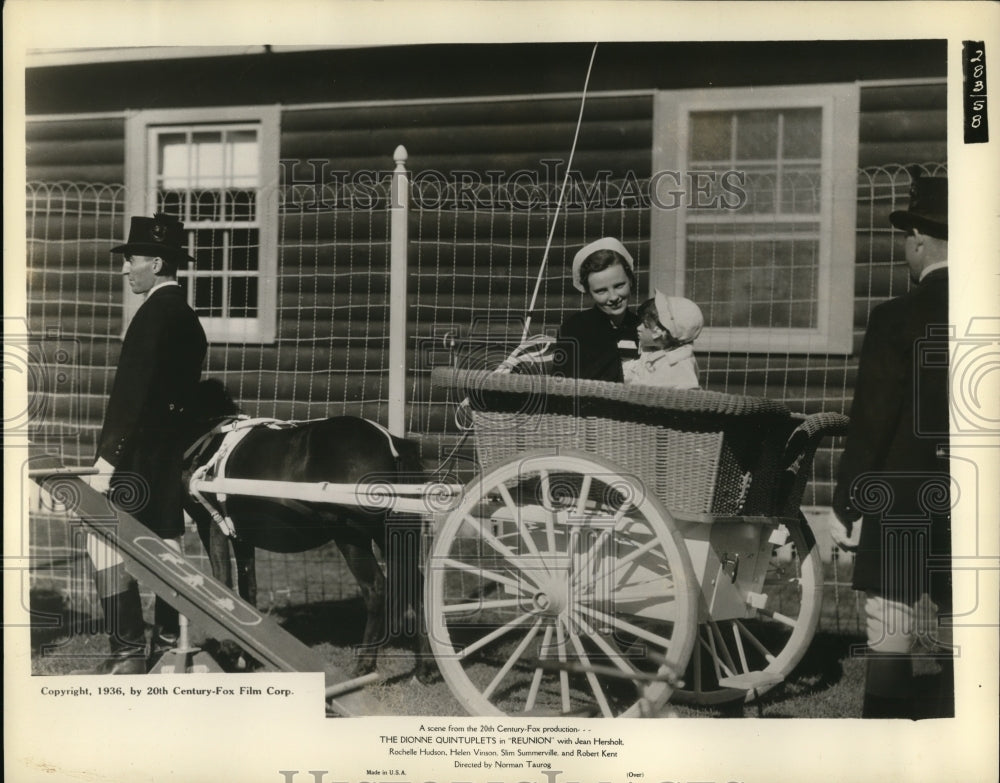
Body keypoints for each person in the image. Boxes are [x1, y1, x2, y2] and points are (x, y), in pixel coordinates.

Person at [830, 175, 952, 719]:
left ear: (920, 240)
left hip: (904, 491)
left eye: (906, 235)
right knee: (965, 614)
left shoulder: (895, 318)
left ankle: (886, 734)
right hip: (977, 493)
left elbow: (873, 421)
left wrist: (849, 495)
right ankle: (959, 721)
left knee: (891, 616)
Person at [82, 213, 208, 674]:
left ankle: (128, 652)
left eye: (130, 260)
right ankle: (170, 638)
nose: (124, 269)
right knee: (167, 545)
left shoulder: (150, 317)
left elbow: (130, 398)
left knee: (102, 542)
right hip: (168, 456)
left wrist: (106, 462)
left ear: (154, 263)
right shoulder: (189, 318)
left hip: (135, 456)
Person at [551, 237, 640, 381]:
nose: (613, 297)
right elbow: (562, 385)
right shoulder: (575, 329)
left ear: (630, 280)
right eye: (601, 291)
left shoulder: (642, 327)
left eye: (619, 286)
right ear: (589, 292)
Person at [622, 290, 703, 389]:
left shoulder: (679, 363)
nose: (638, 328)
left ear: (664, 333)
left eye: (646, 326)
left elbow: (687, 393)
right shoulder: (653, 350)